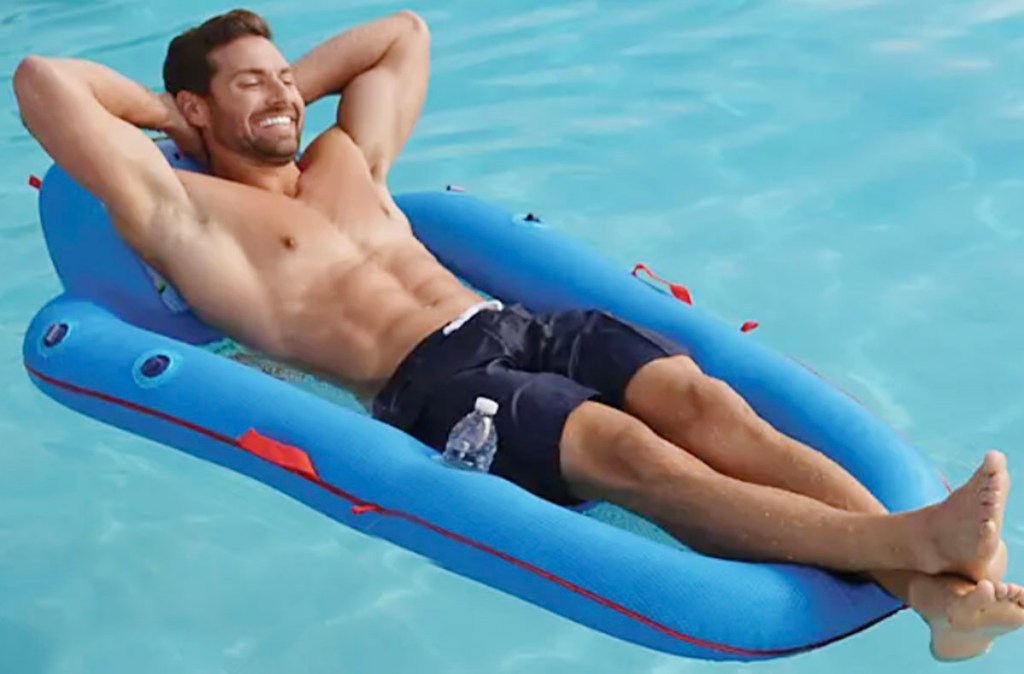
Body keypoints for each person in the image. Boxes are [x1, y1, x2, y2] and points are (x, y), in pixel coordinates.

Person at [13, 8, 1023, 660]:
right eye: (251, 82)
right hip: (429, 379)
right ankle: (906, 543)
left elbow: (402, 34)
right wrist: (179, 123)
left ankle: (928, 591)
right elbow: (42, 79)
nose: (281, 93)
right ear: (194, 108)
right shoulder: (187, 216)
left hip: (518, 325)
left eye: (284, 77)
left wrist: (278, 92)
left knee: (701, 402)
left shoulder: (344, 160)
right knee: (626, 450)